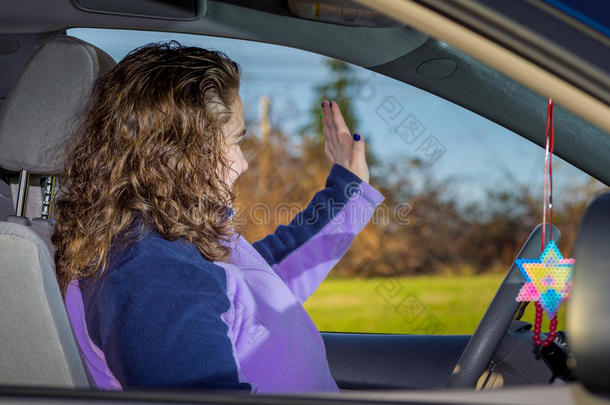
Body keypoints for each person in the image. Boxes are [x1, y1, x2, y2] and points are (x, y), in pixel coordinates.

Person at [52, 41, 385, 394]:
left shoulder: (173, 239)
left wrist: (349, 189)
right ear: (178, 151)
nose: (242, 163)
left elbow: (266, 279)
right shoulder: (151, 271)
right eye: (235, 141)